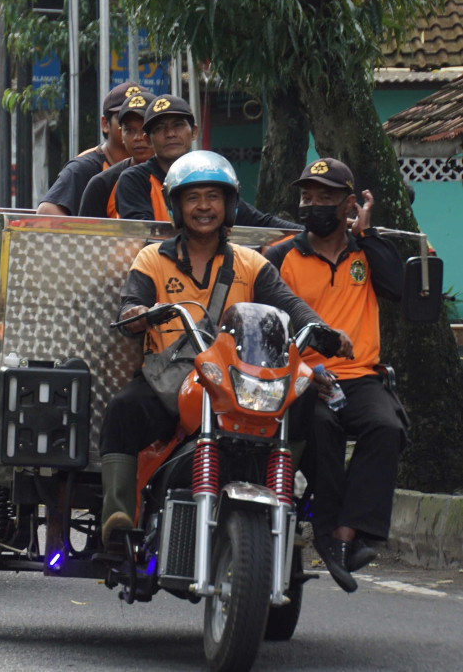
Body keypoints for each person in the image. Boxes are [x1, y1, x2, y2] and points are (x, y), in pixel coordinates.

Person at [98, 151, 352, 543]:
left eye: (213, 197)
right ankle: (119, 518)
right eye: (193, 197)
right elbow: (130, 304)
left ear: (229, 204)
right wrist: (138, 313)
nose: (204, 207)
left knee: (303, 404)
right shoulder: (152, 258)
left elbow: (291, 305)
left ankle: (284, 500)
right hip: (173, 383)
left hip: (238, 383)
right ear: (177, 206)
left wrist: (321, 328)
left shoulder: (252, 263)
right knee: (122, 409)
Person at [264, 158, 406, 593]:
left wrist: (365, 232)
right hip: (303, 378)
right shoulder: (281, 255)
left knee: (386, 427)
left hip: (361, 377)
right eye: (308, 197)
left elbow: (400, 287)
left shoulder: (367, 251)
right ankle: (327, 534)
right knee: (322, 430)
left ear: (348, 204)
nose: (314, 205)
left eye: (326, 197)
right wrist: (301, 370)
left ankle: (349, 534)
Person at [112, 95, 299, 229]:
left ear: (194, 131)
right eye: (160, 128)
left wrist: (306, 234)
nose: (170, 134)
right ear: (148, 139)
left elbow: (259, 222)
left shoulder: (211, 174)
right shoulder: (134, 180)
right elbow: (143, 235)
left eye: (178, 125)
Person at [38, 82, 142, 216]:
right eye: (126, 122)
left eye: (143, 122)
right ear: (105, 124)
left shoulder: (163, 165)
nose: (138, 135)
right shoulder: (84, 169)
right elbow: (47, 212)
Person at [78, 92, 155, 217]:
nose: (138, 138)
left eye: (145, 129)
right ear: (121, 134)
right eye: (129, 130)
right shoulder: (102, 184)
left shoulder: (182, 176)